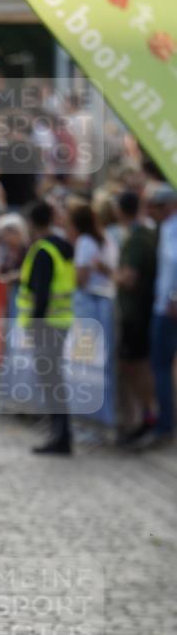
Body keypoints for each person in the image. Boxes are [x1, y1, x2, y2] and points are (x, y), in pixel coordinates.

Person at [18, 200, 76, 455]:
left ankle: (60, 437)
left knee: (52, 382)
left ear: (32, 223)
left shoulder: (43, 251)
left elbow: (40, 294)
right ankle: (61, 434)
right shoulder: (63, 247)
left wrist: (35, 325)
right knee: (55, 380)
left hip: (47, 325)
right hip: (61, 322)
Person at [113, 191, 157, 443]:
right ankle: (147, 416)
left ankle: (148, 418)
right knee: (137, 365)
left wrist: (108, 271)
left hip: (136, 313)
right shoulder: (146, 234)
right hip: (141, 310)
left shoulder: (138, 238)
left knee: (136, 366)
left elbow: (129, 280)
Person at [142, 185, 177, 447]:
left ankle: (165, 424)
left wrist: (174, 296)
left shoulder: (172, 227)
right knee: (160, 366)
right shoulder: (165, 227)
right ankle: (164, 422)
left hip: (168, 307)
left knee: (161, 366)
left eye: (158, 206)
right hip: (162, 305)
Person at [67, 202, 119, 295]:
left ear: (75, 225)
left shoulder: (85, 242)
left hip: (91, 297)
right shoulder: (107, 237)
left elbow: (81, 279)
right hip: (109, 293)